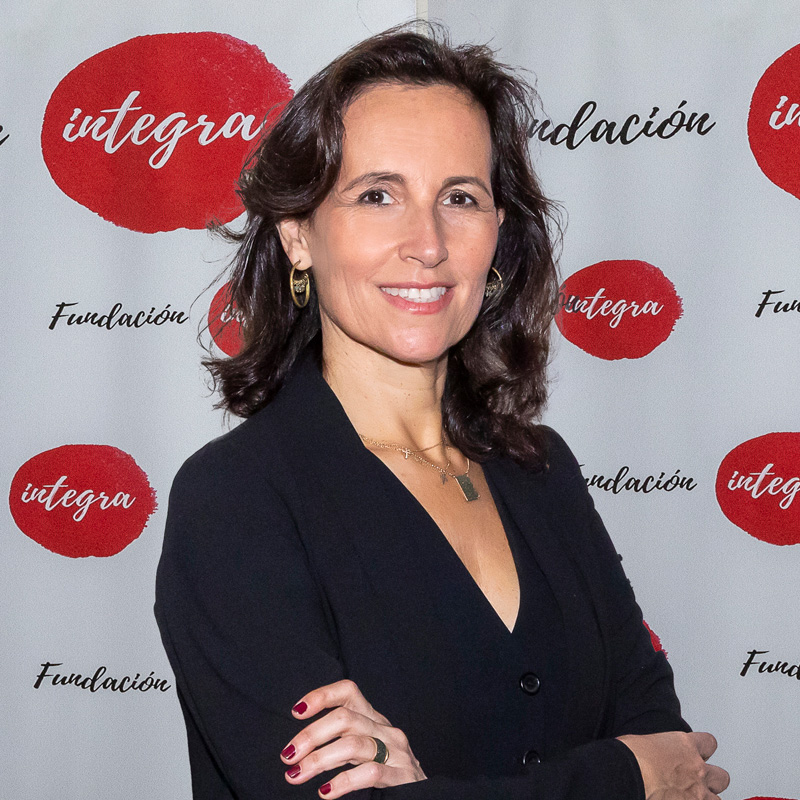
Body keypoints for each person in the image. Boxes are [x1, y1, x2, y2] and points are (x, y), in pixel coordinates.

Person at [154, 23, 730, 800]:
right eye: (377, 195)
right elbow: (651, 765)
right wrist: (623, 775)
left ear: (498, 232)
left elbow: (667, 741)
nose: (427, 243)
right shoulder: (235, 500)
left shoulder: (541, 468)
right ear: (297, 236)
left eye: (460, 198)